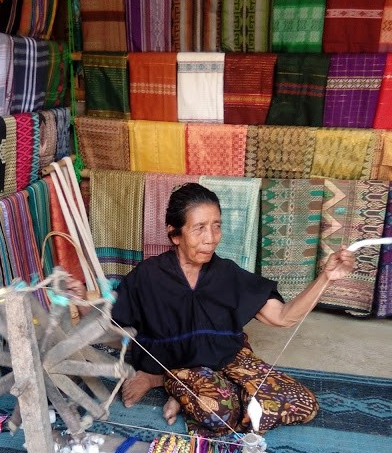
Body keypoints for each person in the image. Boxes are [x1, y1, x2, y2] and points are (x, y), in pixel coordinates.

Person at [107, 182, 356, 437]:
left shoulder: (227, 273)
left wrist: (326, 277)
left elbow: (282, 317)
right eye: (199, 228)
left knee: (302, 404)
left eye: (217, 226)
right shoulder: (149, 276)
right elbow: (109, 321)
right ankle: (168, 381)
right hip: (179, 366)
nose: (211, 238)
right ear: (175, 234)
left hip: (229, 360)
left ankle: (185, 395)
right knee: (219, 413)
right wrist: (79, 299)